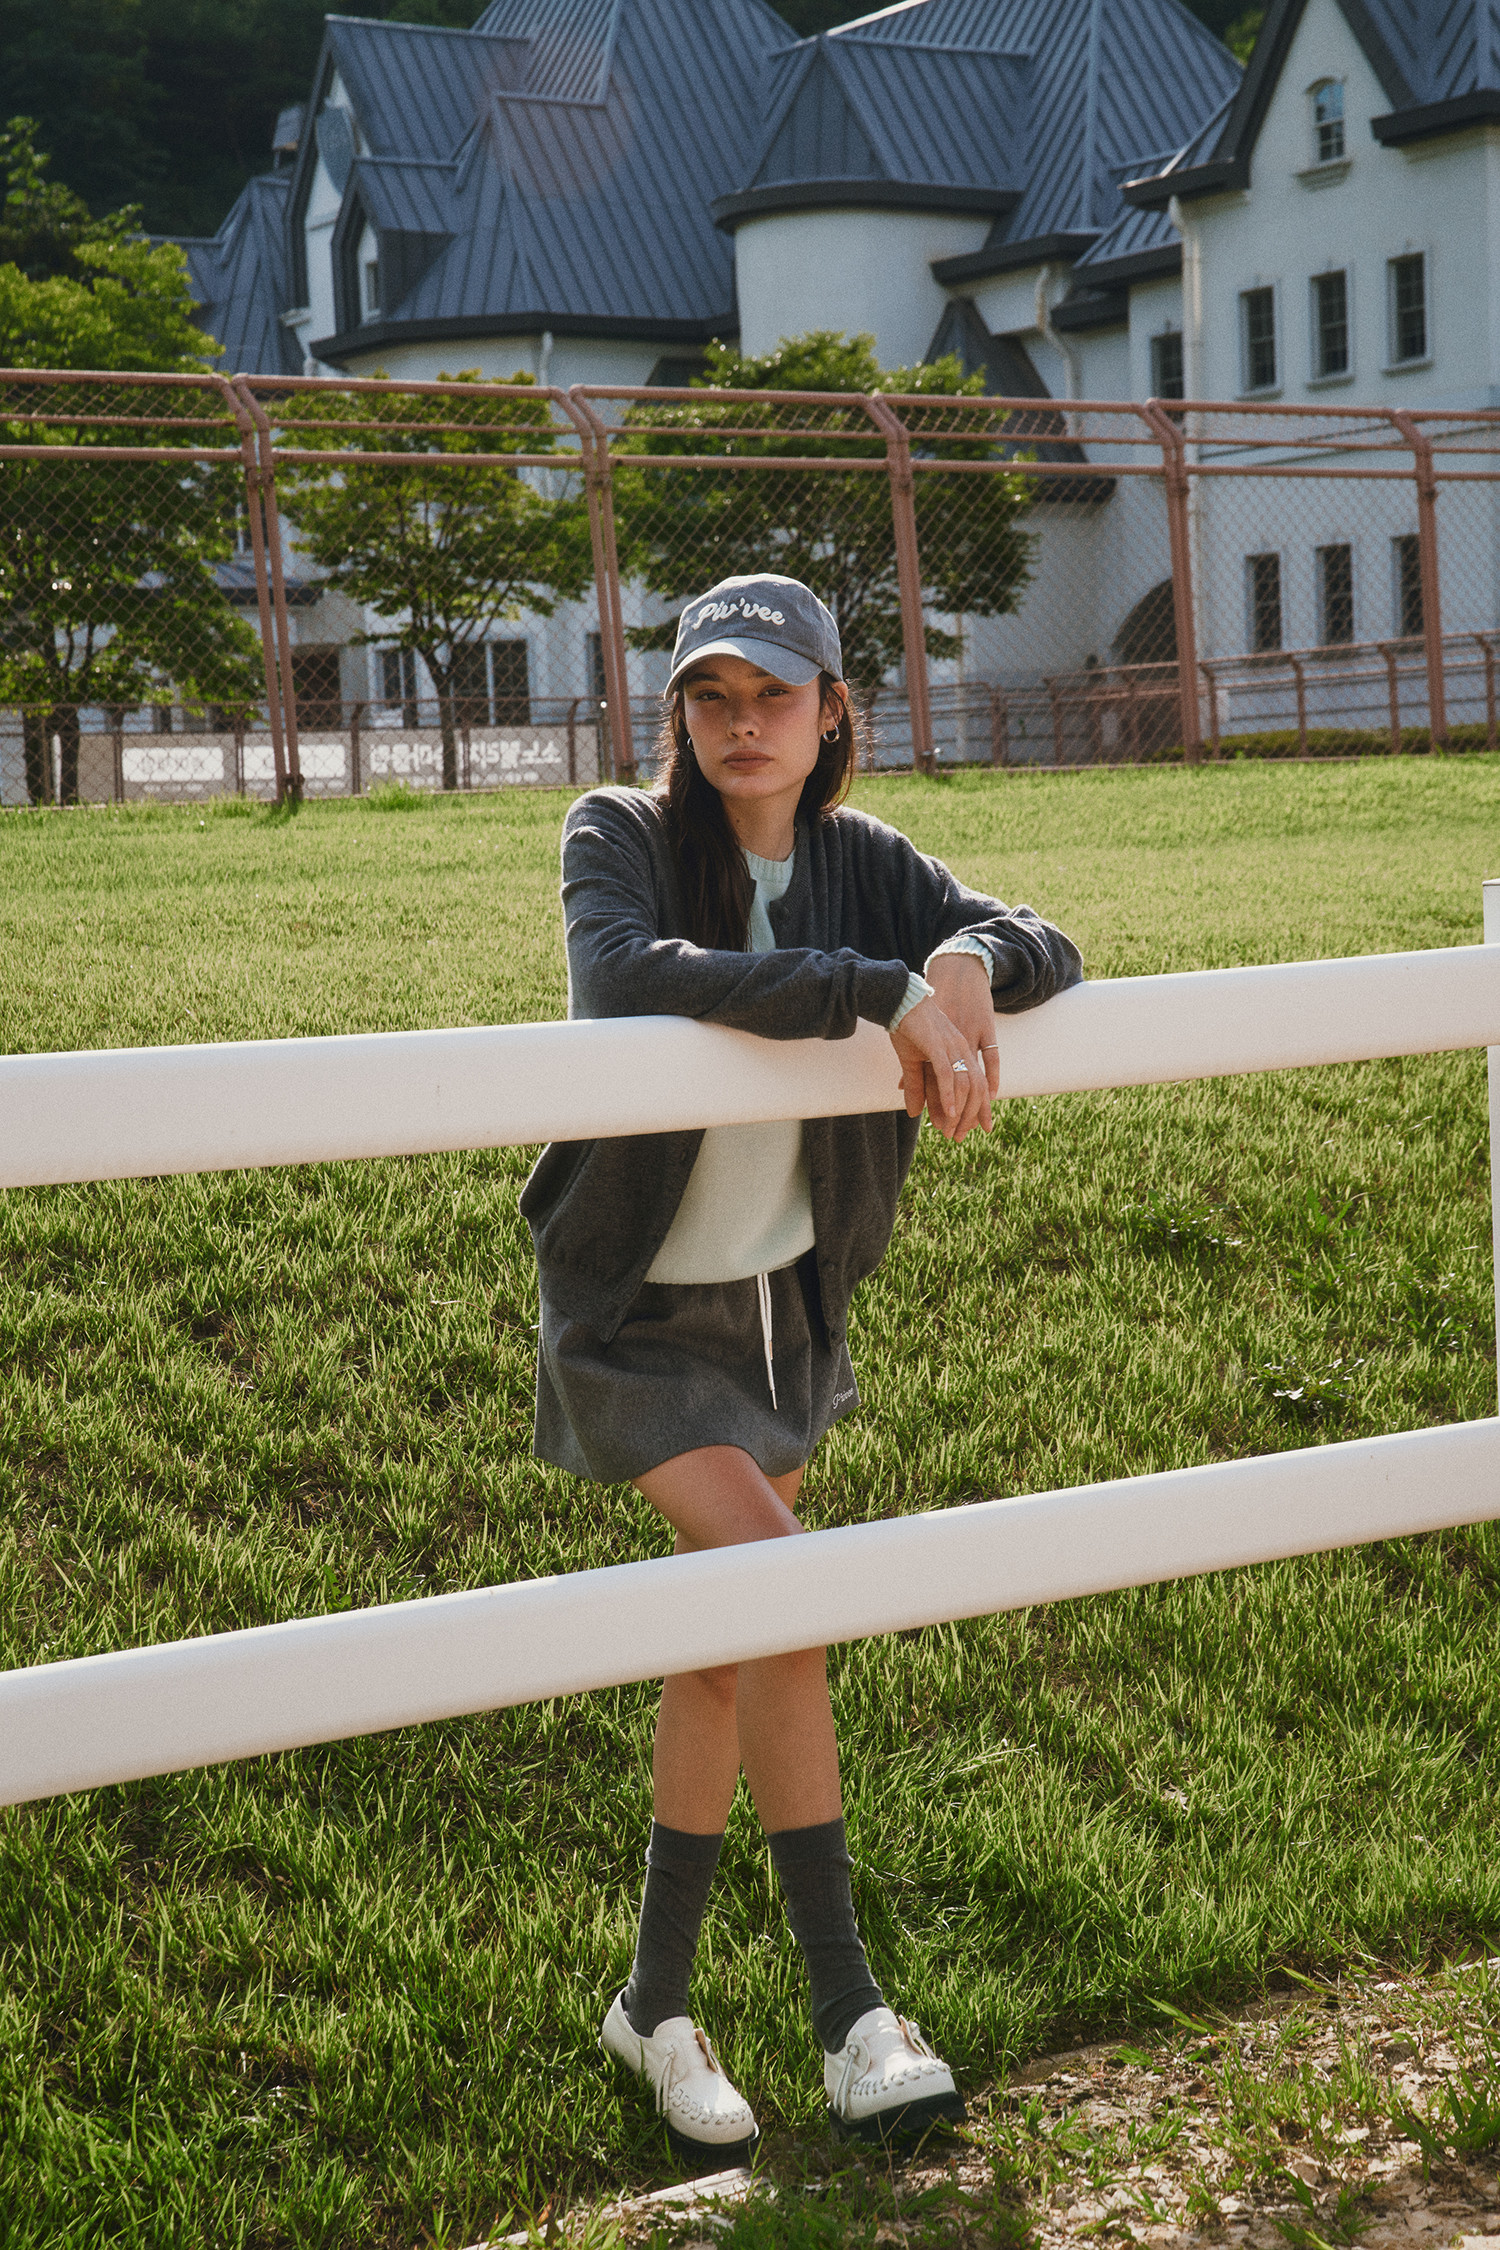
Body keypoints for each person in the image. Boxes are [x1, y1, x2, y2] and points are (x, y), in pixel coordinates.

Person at [520, 574, 1082, 2162]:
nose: (741, 722)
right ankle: (850, 2010)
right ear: (679, 717)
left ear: (835, 709)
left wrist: (960, 958)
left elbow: (1047, 939)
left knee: (721, 1648)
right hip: (636, 1322)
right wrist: (875, 987)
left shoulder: (864, 859)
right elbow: (627, 977)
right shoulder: (619, 832)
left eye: (774, 693)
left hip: (784, 1314)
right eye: (710, 695)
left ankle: (654, 2004)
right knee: (786, 1597)